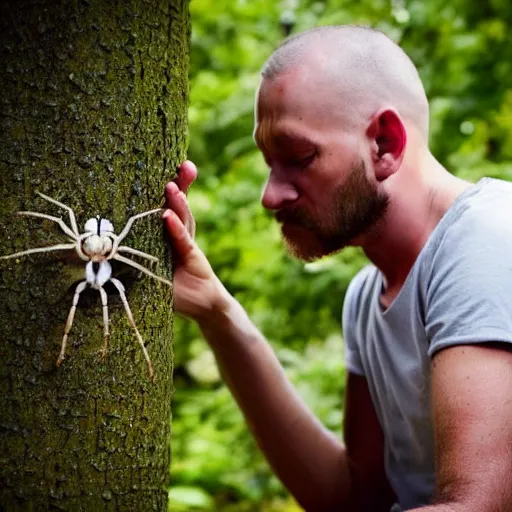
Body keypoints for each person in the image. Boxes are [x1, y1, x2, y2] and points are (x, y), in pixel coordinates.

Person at [162, 25, 512, 512]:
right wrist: (218, 313)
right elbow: (353, 498)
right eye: (269, 163)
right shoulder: (368, 297)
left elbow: (479, 506)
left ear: (385, 144)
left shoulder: (489, 237)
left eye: (299, 158)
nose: (270, 196)